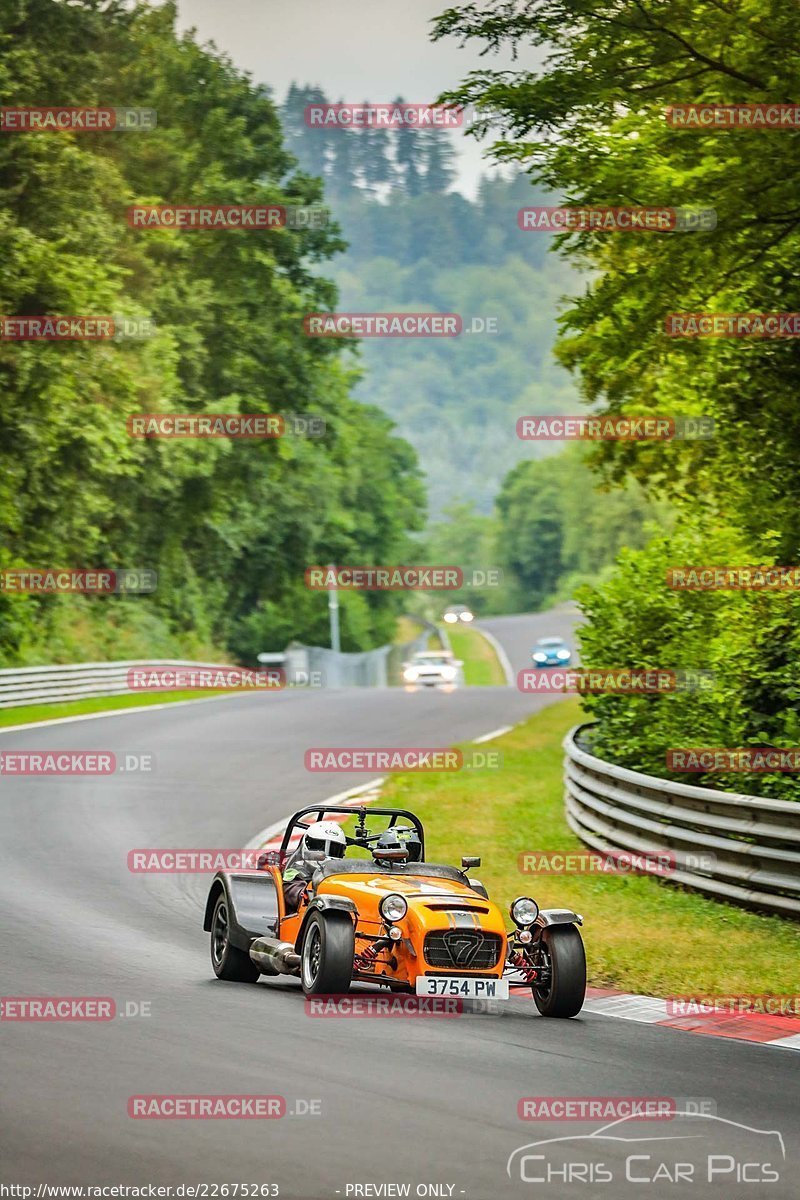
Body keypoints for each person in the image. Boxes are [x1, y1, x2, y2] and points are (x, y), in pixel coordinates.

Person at [282, 820, 347, 912]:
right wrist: (307, 893)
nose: (324, 855)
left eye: (334, 849)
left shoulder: (340, 877)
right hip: (302, 919)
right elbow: (293, 895)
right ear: (307, 845)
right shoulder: (294, 872)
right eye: (319, 847)